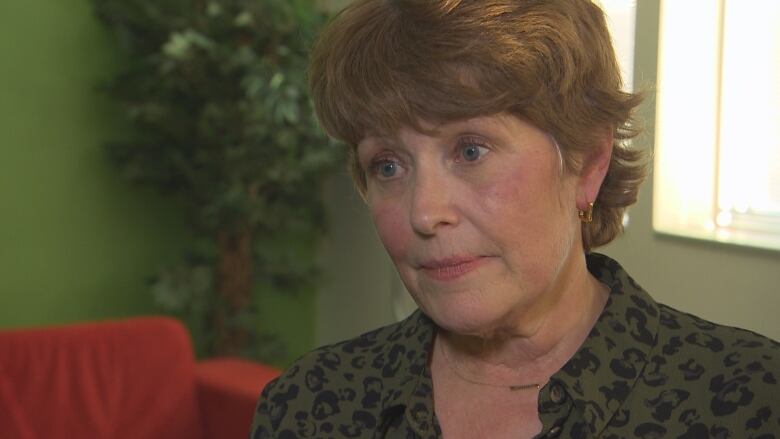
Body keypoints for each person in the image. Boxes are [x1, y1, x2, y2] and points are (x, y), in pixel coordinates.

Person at [251, 0, 779, 437]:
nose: (424, 211)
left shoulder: (747, 402)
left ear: (587, 164)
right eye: (388, 165)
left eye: (471, 151)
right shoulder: (309, 406)